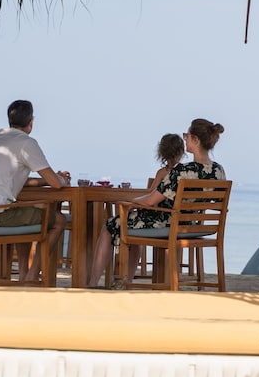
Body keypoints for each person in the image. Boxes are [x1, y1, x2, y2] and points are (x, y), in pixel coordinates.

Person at [88, 118, 225, 288]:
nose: (185, 139)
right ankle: (126, 282)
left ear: (196, 140)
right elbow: (219, 204)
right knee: (132, 226)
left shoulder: (182, 171)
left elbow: (151, 200)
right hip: (190, 225)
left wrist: (132, 203)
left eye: (187, 136)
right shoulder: (218, 171)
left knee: (110, 226)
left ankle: (93, 283)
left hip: (166, 223)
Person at [0, 99, 70, 283]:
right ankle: (32, 277)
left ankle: (24, 274)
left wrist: (44, 181)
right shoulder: (26, 143)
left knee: (23, 212)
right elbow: (56, 184)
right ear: (31, 122)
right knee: (59, 220)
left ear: (10, 120)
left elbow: (10, 178)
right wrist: (63, 179)